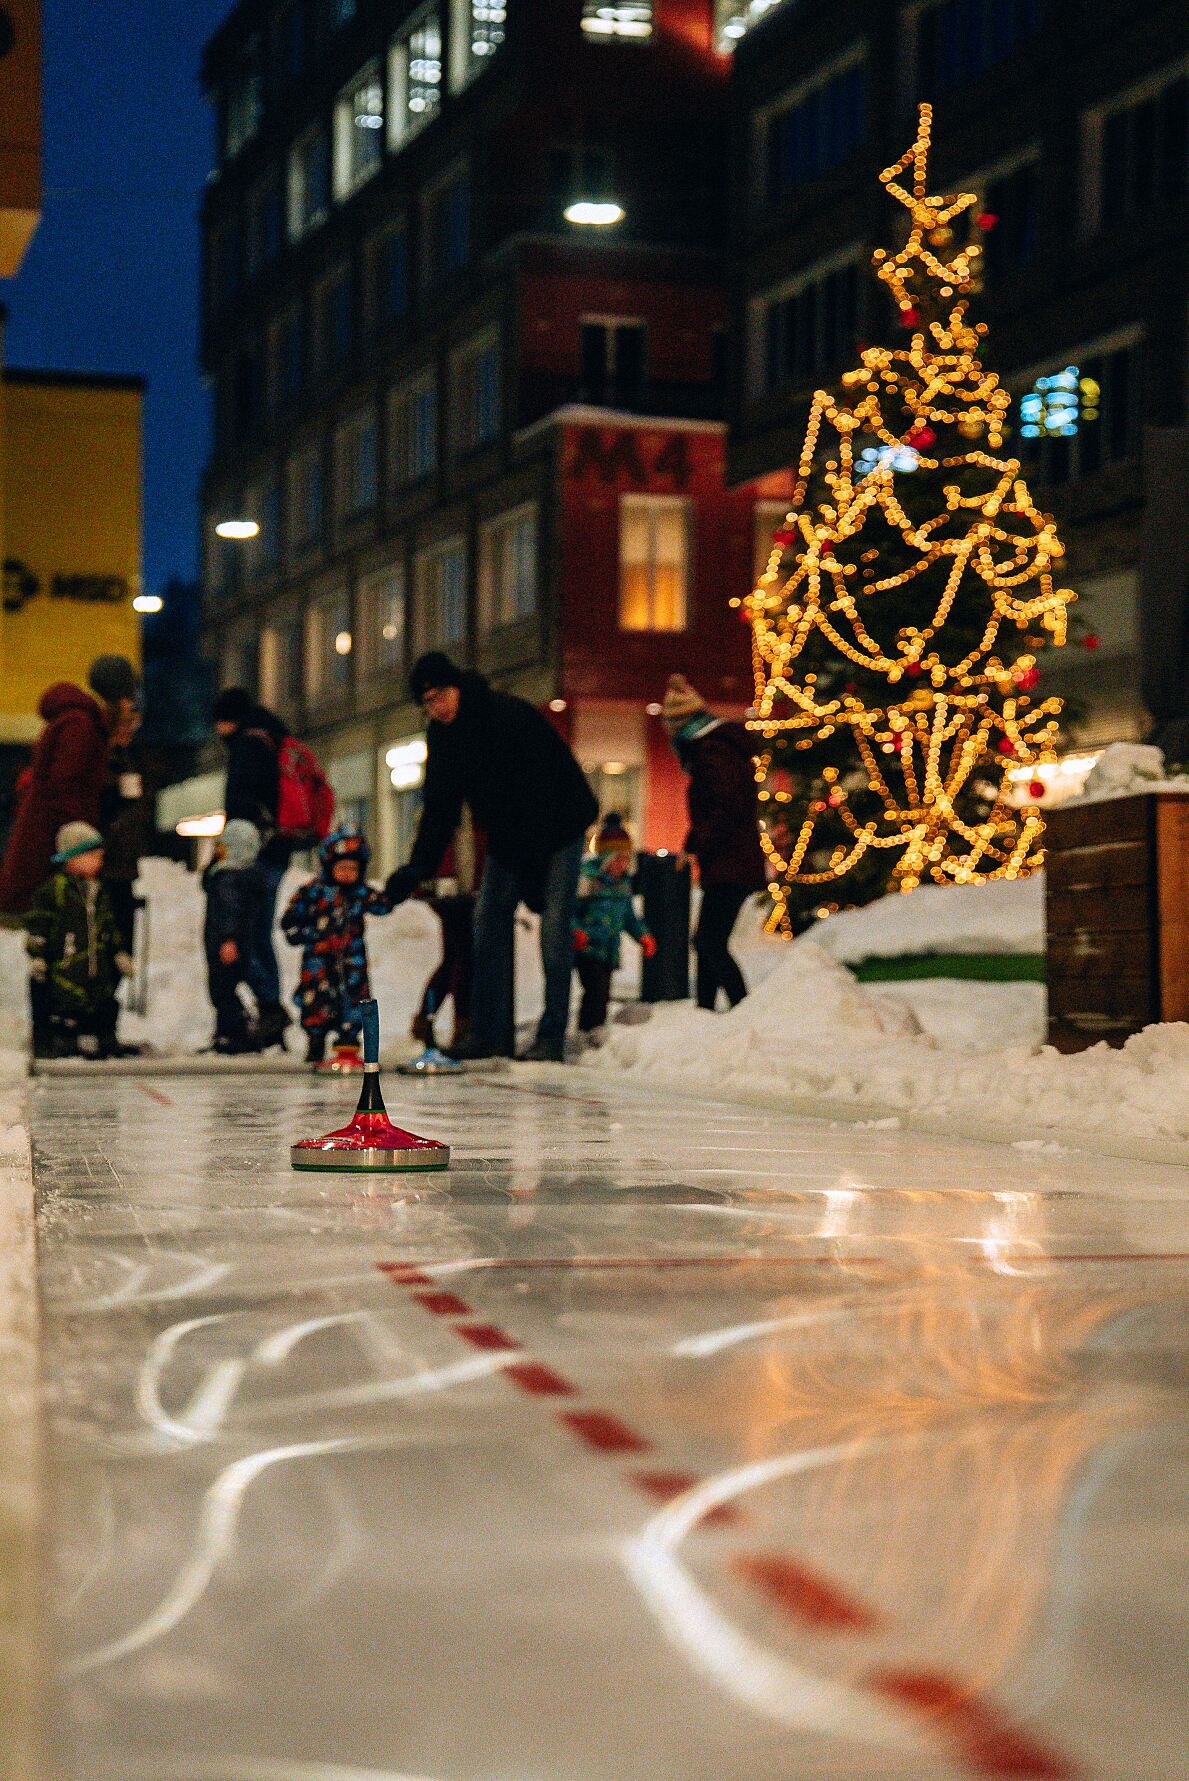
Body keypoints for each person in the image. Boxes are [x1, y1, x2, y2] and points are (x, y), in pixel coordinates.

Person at [385, 653, 598, 1063]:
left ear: (456, 687)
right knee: (487, 921)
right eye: (427, 703)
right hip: (510, 833)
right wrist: (417, 867)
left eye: (440, 696)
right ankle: (488, 1034)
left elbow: (538, 790)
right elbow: (440, 808)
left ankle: (551, 1036)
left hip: (559, 823)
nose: (437, 708)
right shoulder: (442, 736)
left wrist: (534, 869)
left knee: (554, 927)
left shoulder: (503, 715)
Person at [662, 673, 766, 1012]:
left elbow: (724, 808)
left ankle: (742, 1010)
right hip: (730, 860)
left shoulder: (713, 754)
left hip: (730, 862)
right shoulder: (717, 750)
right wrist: (692, 845)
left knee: (709, 941)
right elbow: (717, 810)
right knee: (707, 941)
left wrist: (701, 845)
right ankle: (705, 1012)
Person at [212, 688, 294, 1049]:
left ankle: (270, 1008)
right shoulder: (272, 738)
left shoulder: (248, 745)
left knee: (248, 934)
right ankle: (269, 1010)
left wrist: (229, 852)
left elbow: (241, 804)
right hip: (275, 850)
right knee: (258, 932)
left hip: (254, 853)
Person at [281, 826, 392, 1066]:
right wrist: (296, 928)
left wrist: (396, 891)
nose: (347, 874)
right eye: (342, 868)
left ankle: (348, 1043)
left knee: (353, 1000)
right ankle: (316, 1041)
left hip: (352, 961)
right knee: (317, 1001)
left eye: (352, 869)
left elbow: (382, 905)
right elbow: (293, 913)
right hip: (318, 961)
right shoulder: (315, 890)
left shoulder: (360, 893)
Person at [25, 823, 132, 1059]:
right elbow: (39, 926)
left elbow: (107, 924)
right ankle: (62, 1037)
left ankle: (102, 1035)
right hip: (67, 968)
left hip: (96, 968)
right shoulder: (54, 892)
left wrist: (118, 952)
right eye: (94, 856)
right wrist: (38, 956)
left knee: (102, 1001)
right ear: (75, 858)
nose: (99, 862)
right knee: (66, 1001)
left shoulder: (98, 892)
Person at [572, 813, 656, 1044]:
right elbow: (571, 910)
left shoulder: (623, 884)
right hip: (588, 946)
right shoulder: (588, 879)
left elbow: (628, 916)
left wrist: (643, 935)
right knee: (596, 991)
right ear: (606, 858)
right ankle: (589, 1032)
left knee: (602, 993)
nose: (622, 865)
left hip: (609, 949)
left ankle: (592, 1031)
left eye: (626, 860)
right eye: (618, 859)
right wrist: (576, 931)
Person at [411, 821, 484, 1052]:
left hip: (459, 883)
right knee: (463, 958)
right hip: (454, 885)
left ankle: (428, 1019)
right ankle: (462, 1024)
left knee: (455, 957)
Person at [202, 819, 265, 1055]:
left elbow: (230, 911)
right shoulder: (237, 875)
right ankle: (228, 1031)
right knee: (223, 989)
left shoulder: (229, 878)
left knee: (221, 990)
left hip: (225, 942)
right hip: (229, 941)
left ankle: (236, 1032)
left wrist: (228, 939)